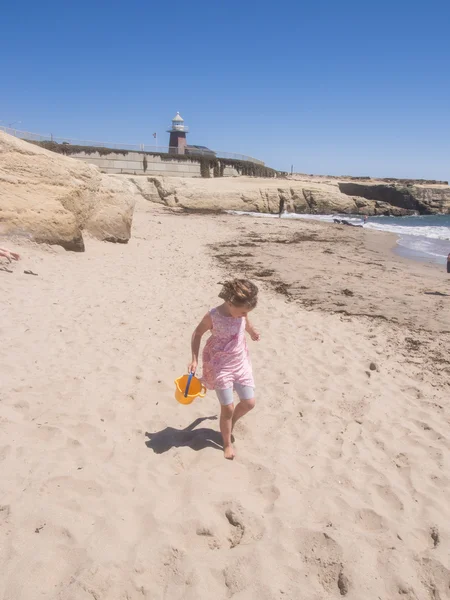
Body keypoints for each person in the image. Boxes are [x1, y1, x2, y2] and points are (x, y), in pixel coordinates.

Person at [188, 279, 260, 460]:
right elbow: (197, 333)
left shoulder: (242, 315)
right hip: (220, 364)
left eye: (247, 313)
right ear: (229, 303)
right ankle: (226, 443)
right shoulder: (213, 316)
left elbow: (246, 323)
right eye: (243, 311)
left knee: (249, 403)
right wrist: (194, 359)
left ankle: (232, 421)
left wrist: (252, 332)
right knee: (227, 408)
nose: (244, 315)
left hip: (240, 361)